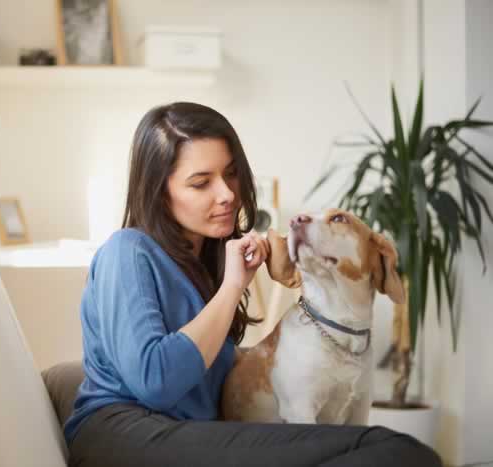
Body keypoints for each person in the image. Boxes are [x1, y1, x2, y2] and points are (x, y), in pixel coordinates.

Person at [63, 102, 442, 467]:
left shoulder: (205, 267)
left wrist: (299, 295)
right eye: (201, 183)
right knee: (392, 450)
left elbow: (224, 378)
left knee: (379, 451)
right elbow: (155, 381)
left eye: (231, 174)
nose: (227, 194)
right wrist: (232, 288)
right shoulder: (126, 251)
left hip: (194, 434)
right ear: (161, 193)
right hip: (123, 438)